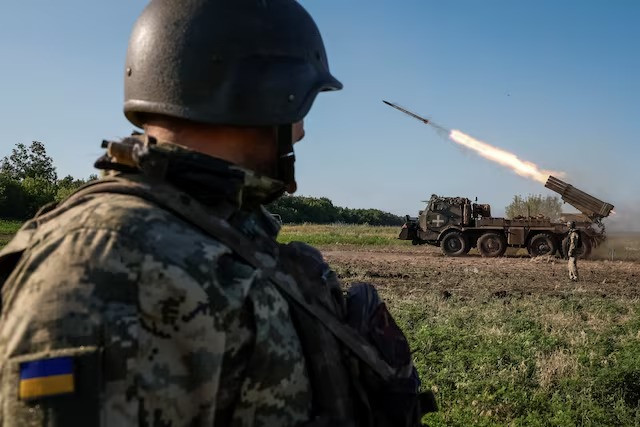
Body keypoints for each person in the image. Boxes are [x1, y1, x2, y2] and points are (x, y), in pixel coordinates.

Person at [0, 1, 430, 425]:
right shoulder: (99, 265)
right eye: (302, 104)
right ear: (264, 95)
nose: (302, 129)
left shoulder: (212, 229)